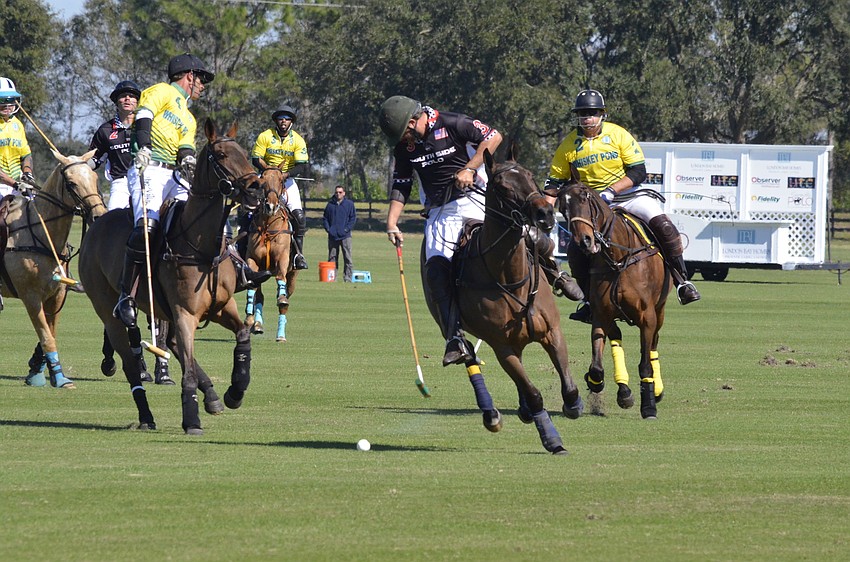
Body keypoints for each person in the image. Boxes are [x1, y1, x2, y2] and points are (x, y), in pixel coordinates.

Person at [545, 88, 700, 323]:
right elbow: (555, 182)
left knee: (664, 226)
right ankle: (588, 301)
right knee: (576, 250)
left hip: (627, 196)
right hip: (591, 206)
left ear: (602, 114)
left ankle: (682, 281)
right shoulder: (568, 145)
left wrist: (612, 190)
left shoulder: (618, 135)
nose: (587, 117)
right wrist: (545, 209)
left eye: (592, 112)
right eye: (583, 113)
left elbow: (638, 171)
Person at [380, 95, 505, 366]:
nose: (404, 141)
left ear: (412, 122)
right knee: (435, 272)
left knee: (523, 232)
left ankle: (556, 274)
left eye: (404, 135)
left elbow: (494, 136)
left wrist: (469, 169)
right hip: (440, 213)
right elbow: (401, 184)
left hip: (478, 200)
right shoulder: (404, 149)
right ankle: (454, 339)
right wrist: (391, 223)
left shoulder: (452, 123)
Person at [251, 104, 310, 270]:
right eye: (280, 118)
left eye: (287, 118)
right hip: (266, 179)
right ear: (276, 120)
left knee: (299, 216)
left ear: (291, 121)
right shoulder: (265, 136)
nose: (283, 121)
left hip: (286, 180)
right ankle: (241, 246)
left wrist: (284, 175)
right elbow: (256, 158)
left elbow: (301, 165)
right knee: (248, 209)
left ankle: (298, 255)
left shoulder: (297, 140)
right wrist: (270, 172)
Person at [88, 80, 141, 210]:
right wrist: (78, 165)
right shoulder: (105, 130)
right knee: (113, 216)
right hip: (120, 183)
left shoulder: (146, 126)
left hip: (144, 179)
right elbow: (95, 159)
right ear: (116, 102)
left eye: (132, 96)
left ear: (137, 102)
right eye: (123, 96)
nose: (127, 99)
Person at [0, 77, 36, 199]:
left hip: (17, 183)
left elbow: (26, 155)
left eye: (10, 100)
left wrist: (27, 173)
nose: (7, 105)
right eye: (2, 100)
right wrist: (15, 185)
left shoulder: (18, 124)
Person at [322, 184, 356, 282]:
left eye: (340, 192)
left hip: (345, 236)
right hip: (333, 236)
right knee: (332, 258)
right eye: (336, 192)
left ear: (344, 193)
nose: (338, 194)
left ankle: (347, 278)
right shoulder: (330, 205)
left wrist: (346, 229)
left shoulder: (349, 204)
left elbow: (353, 218)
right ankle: (332, 278)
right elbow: (325, 218)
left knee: (347, 258)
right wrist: (328, 229)